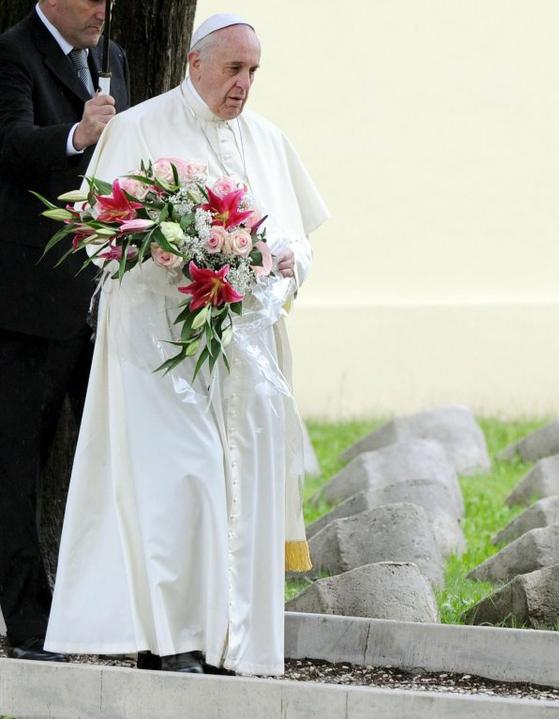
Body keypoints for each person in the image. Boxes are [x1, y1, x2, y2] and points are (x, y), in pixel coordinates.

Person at [43, 14, 328, 676]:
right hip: (156, 351)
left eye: (254, 71)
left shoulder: (267, 140)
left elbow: (300, 241)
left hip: (246, 353)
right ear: (195, 64)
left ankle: (238, 642)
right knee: (181, 482)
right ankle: (169, 638)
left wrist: (284, 262)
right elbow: (96, 234)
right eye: (234, 69)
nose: (245, 85)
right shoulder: (137, 129)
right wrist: (177, 251)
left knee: (244, 487)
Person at [0, 0, 130, 662]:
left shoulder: (116, 62)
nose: (103, 10)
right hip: (25, 307)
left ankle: (108, 614)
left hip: (101, 303)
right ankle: (28, 625)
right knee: (17, 467)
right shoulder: (13, 53)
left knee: (117, 460)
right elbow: (9, 146)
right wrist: (76, 136)